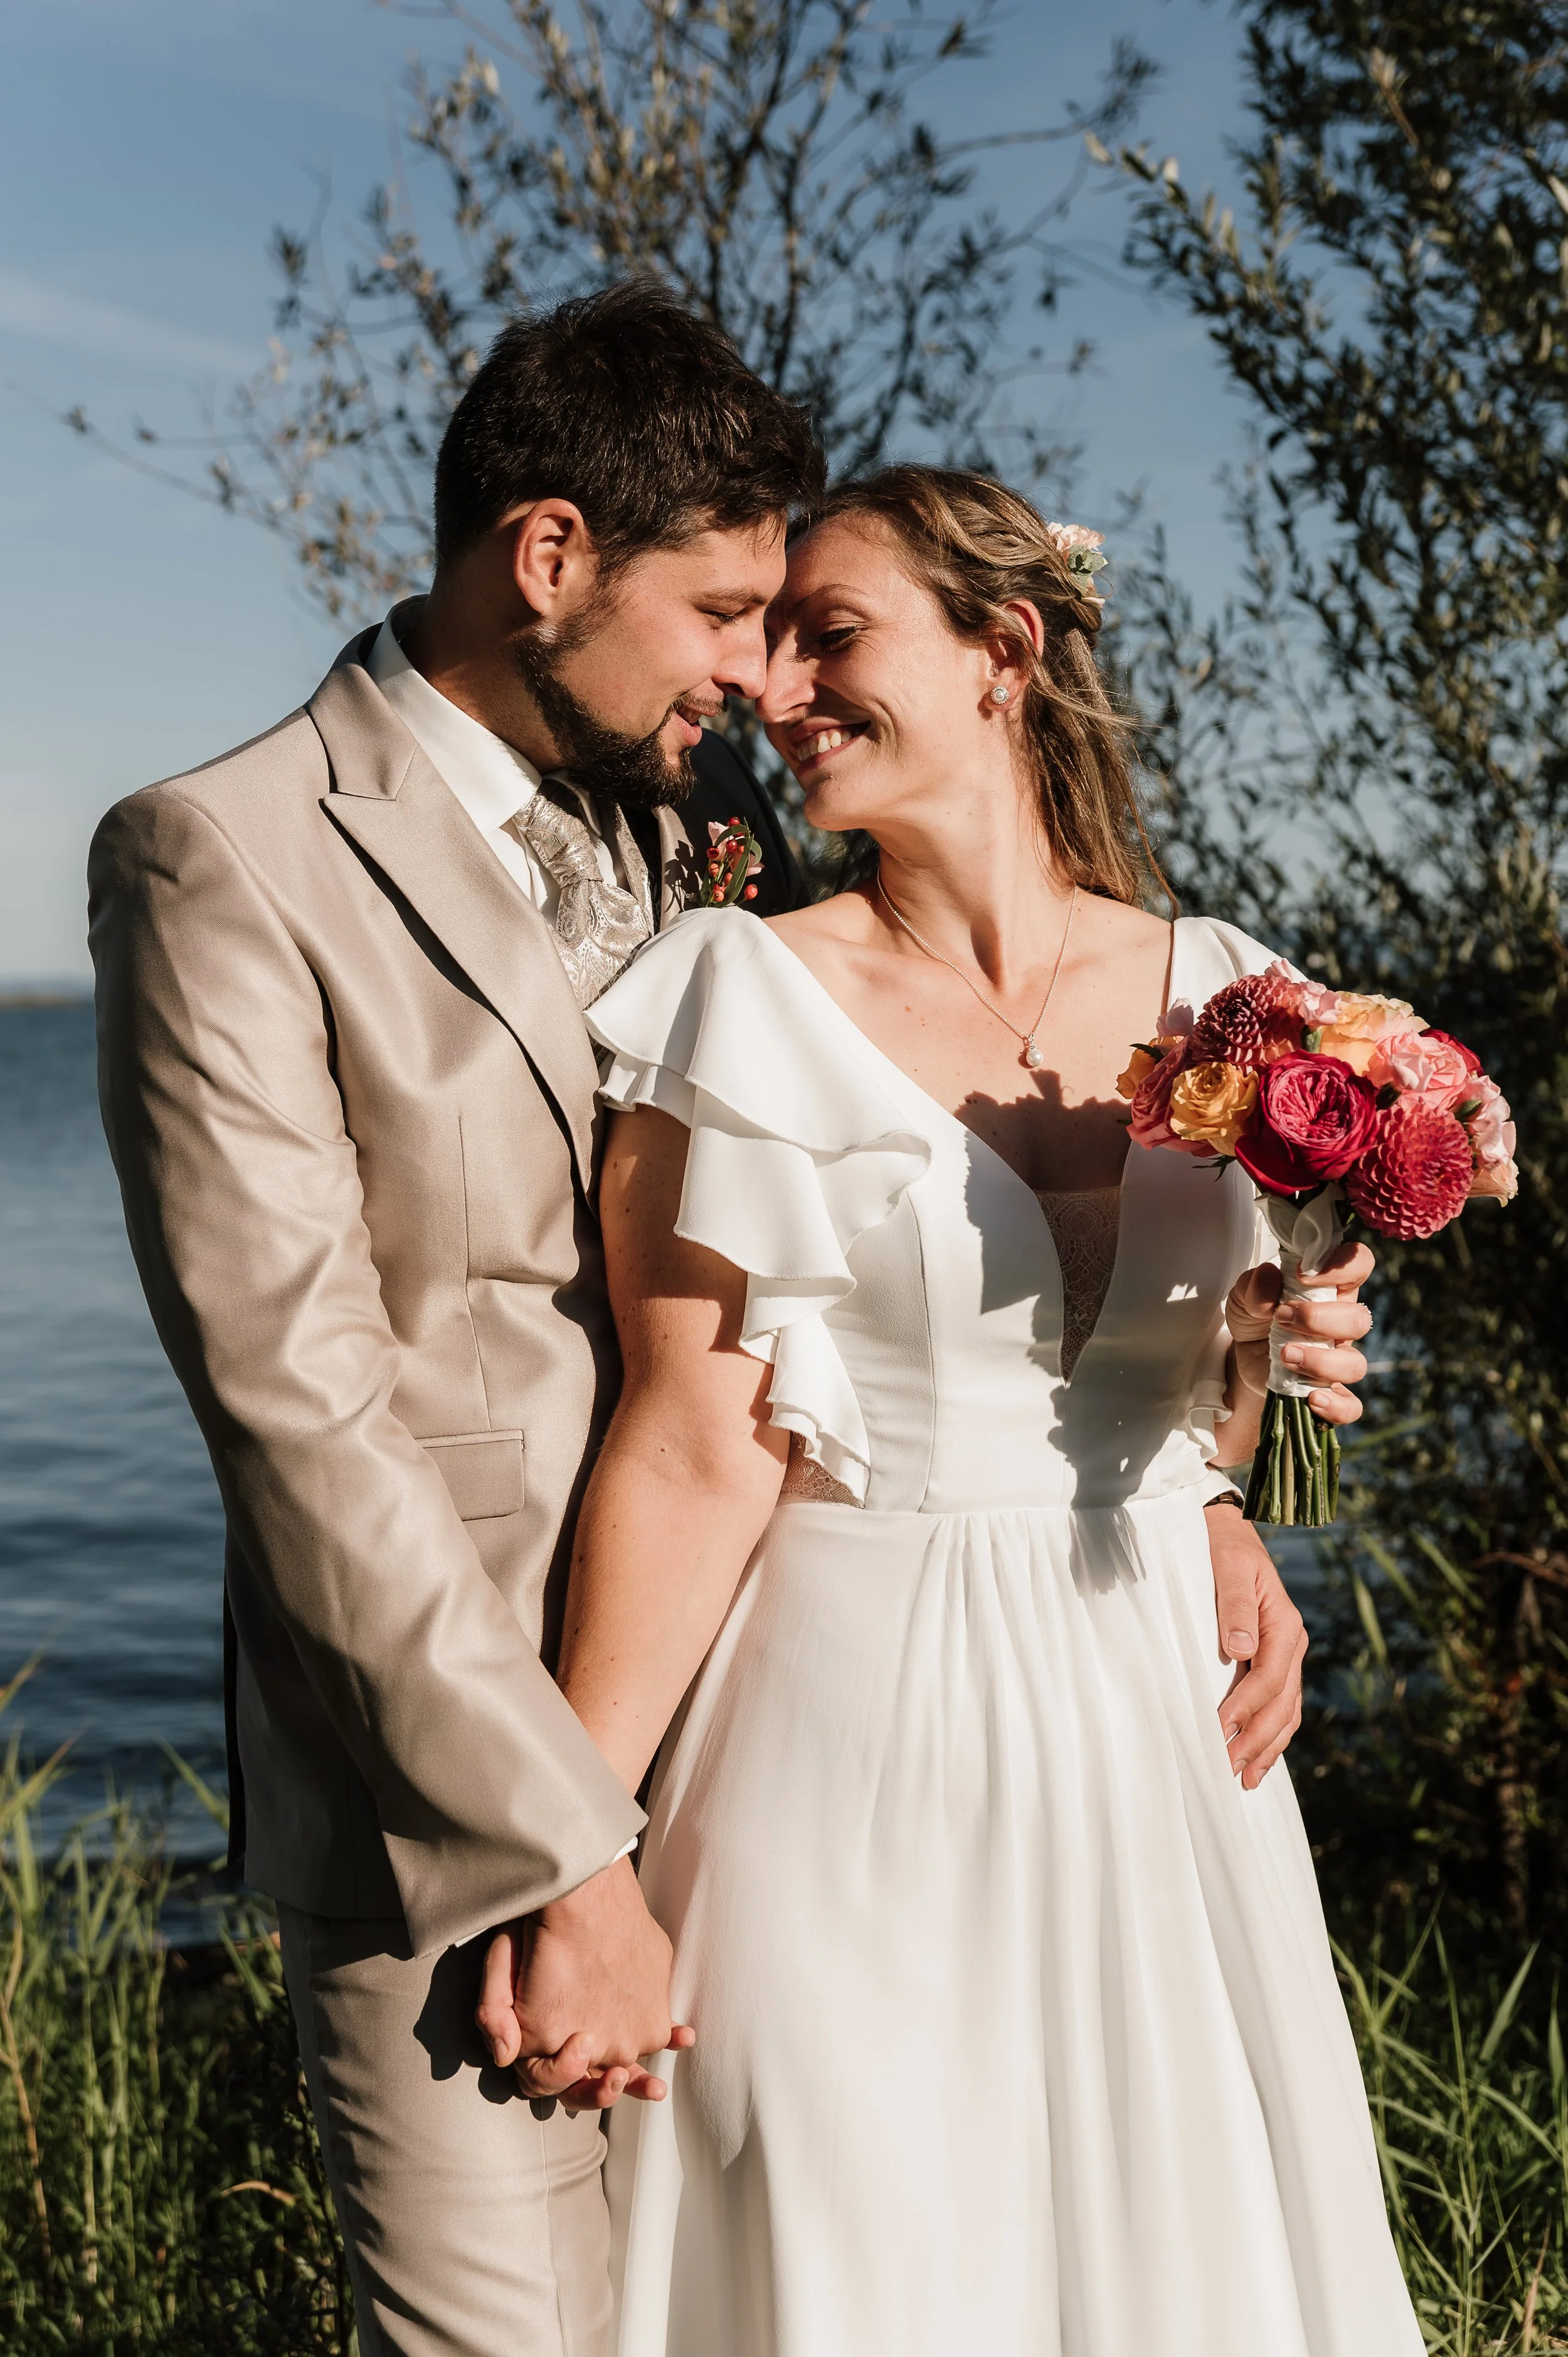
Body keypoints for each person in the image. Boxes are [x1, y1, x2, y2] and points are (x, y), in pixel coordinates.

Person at [566, 467, 1422, 2353]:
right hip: (839, 1754)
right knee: (866, 2250)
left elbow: (1183, 1395)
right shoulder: (738, 993)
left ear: (1000, 655)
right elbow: (691, 1447)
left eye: (829, 631)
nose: (775, 685)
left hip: (1155, 1751)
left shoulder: (1235, 998)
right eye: (759, 638)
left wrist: (1252, 1428)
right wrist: (562, 1855)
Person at [87, 282, 819, 2357]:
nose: (754, 674)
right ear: (552, 554)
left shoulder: (704, 836)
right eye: (722, 612)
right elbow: (305, 1420)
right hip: (464, 1814)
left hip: (768, 1751)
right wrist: (559, 1846)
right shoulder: (218, 856)